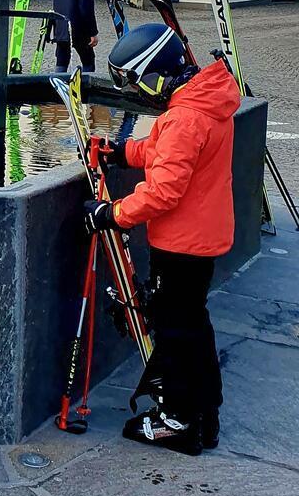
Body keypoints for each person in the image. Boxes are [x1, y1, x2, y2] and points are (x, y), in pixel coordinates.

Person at [85, 24, 240, 456]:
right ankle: (205, 414)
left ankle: (178, 420)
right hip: (203, 237)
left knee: (175, 332)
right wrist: (122, 153)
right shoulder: (202, 102)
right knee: (193, 326)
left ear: (154, 75)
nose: (139, 94)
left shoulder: (185, 117)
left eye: (137, 83)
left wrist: (111, 214)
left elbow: (163, 192)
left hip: (181, 244)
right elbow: (163, 150)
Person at [52, 0, 98, 72]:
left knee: (61, 61)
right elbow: (87, 12)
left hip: (61, 31)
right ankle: (86, 82)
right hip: (78, 31)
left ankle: (58, 81)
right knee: (88, 60)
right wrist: (93, 33)